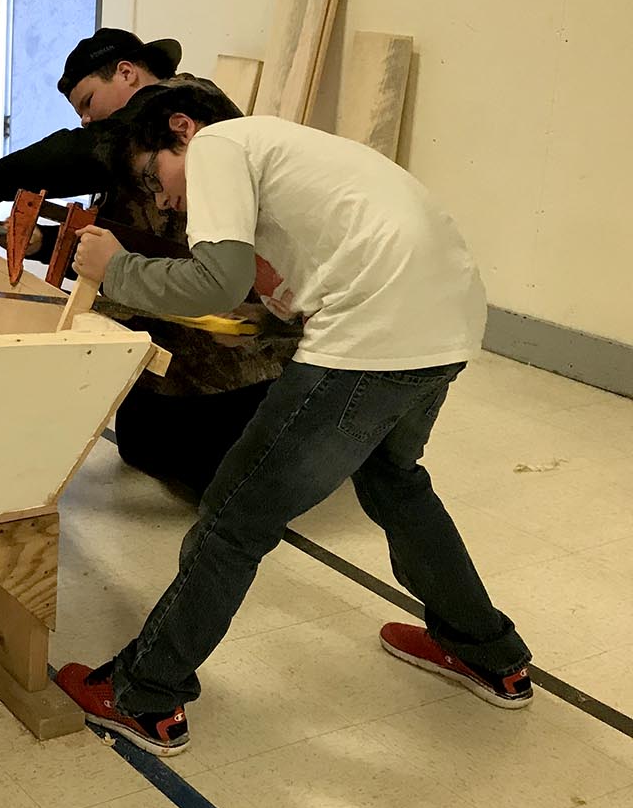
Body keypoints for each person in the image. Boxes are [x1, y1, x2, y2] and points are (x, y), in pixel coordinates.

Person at [54, 83, 531, 756]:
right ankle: (486, 649)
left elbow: (215, 282)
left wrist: (116, 269)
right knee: (393, 479)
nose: (163, 201)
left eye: (153, 178)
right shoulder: (281, 145)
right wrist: (280, 304)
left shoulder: (217, 144)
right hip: (448, 324)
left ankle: (144, 693)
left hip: (374, 339)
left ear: (182, 129)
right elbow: (301, 267)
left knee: (233, 519)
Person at [0, 28, 296, 497]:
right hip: (175, 331)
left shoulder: (185, 102)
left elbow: (77, 153)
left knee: (211, 479)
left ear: (126, 72)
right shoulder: (142, 153)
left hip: (236, 343)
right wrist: (45, 242)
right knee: (139, 447)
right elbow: (133, 239)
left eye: (88, 102)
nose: (87, 121)